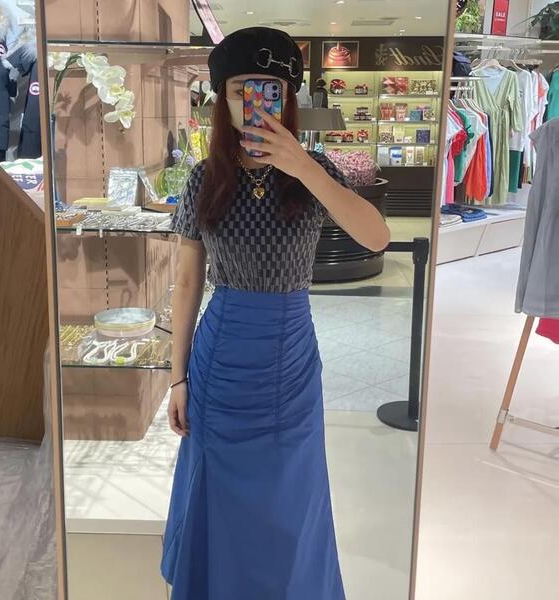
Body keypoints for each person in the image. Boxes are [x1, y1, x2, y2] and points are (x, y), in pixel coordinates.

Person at [160, 26, 390, 600]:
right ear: (223, 98)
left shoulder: (315, 173)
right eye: (242, 89)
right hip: (221, 360)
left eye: (270, 89)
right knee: (217, 495)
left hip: (289, 361)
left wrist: (303, 165)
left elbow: (377, 236)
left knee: (290, 496)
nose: (255, 102)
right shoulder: (204, 178)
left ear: (288, 98)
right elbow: (187, 282)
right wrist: (177, 377)